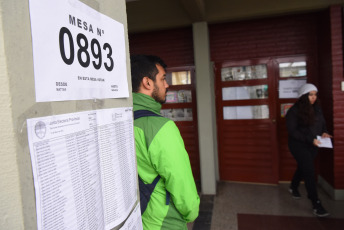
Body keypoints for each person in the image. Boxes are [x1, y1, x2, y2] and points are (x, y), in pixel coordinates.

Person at [130, 54, 200, 229]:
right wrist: (191, 212)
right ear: (147, 83)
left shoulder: (121, 122)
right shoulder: (161, 127)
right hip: (164, 223)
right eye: (163, 79)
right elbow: (181, 183)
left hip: (136, 220)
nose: (167, 85)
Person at [286, 83, 332, 217]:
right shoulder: (294, 111)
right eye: (310, 95)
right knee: (309, 171)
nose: (313, 97)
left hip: (314, 144)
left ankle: (293, 186)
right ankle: (316, 204)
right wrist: (310, 139)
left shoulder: (317, 108)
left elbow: (322, 124)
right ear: (303, 96)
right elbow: (293, 131)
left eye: (315, 94)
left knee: (304, 167)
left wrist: (324, 132)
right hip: (298, 145)